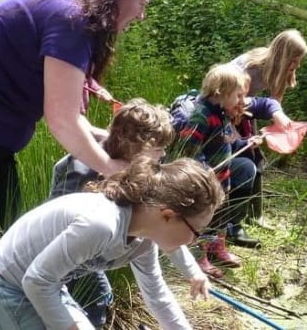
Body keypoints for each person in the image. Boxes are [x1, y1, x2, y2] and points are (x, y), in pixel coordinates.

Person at [0, 0, 159, 299]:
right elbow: (63, 121)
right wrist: (113, 167)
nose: (142, 15)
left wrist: (109, 138)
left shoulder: (65, 6)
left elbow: (69, 112)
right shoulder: (72, 20)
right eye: (142, 3)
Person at [0, 156, 224, 330]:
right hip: (1, 290)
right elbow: (35, 281)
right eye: (197, 231)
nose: (193, 240)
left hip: (47, 287)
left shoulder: (144, 240)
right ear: (167, 215)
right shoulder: (101, 224)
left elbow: (156, 295)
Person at [50, 98, 210, 328]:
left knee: (99, 299)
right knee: (95, 299)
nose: (163, 154)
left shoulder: (141, 177)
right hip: (63, 256)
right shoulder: (81, 170)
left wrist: (192, 271)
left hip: (86, 258)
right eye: (158, 149)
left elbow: (166, 231)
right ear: (135, 147)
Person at [170, 64, 261, 278]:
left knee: (219, 216)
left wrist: (248, 142)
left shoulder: (222, 115)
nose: (242, 101)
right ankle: (199, 256)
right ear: (221, 92)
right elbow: (188, 149)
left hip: (222, 180)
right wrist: (206, 171)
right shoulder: (201, 116)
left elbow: (227, 144)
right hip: (206, 183)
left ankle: (217, 247)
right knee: (204, 219)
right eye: (238, 95)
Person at [229, 29, 307, 226]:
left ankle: (255, 215)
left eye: (299, 61)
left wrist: (275, 126)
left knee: (258, 160)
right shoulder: (252, 69)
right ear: (283, 56)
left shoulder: (283, 71)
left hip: (249, 107)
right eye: (294, 60)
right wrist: (247, 136)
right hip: (230, 107)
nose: (297, 65)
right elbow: (233, 103)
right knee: (245, 156)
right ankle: (232, 220)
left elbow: (274, 103)